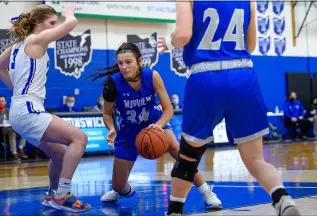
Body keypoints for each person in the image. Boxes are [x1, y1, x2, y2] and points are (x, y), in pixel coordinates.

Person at [158, 1, 300, 216]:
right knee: (255, 160)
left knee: (188, 157)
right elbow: (250, 45)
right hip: (243, 76)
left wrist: (168, 42)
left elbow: (183, 35)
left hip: (205, 78)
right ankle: (282, 198)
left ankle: (175, 211)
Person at [90, 42, 222, 210]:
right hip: (128, 131)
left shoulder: (152, 76)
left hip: (154, 123)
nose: (123, 67)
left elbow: (168, 109)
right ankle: (120, 190)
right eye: (120, 63)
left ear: (139, 60)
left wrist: (157, 126)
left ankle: (206, 192)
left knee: (180, 152)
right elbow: (107, 114)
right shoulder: (112, 83)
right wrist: (111, 129)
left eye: (128, 62)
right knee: (118, 186)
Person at [0, 5, 90, 213]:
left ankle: (52, 194)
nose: (53, 27)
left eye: (55, 24)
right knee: (80, 139)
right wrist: (69, 14)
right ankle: (63, 195)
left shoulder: (18, 44)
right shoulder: (36, 39)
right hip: (28, 109)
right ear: (38, 23)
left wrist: (15, 89)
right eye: (51, 23)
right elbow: (71, 24)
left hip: (20, 108)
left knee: (60, 155)